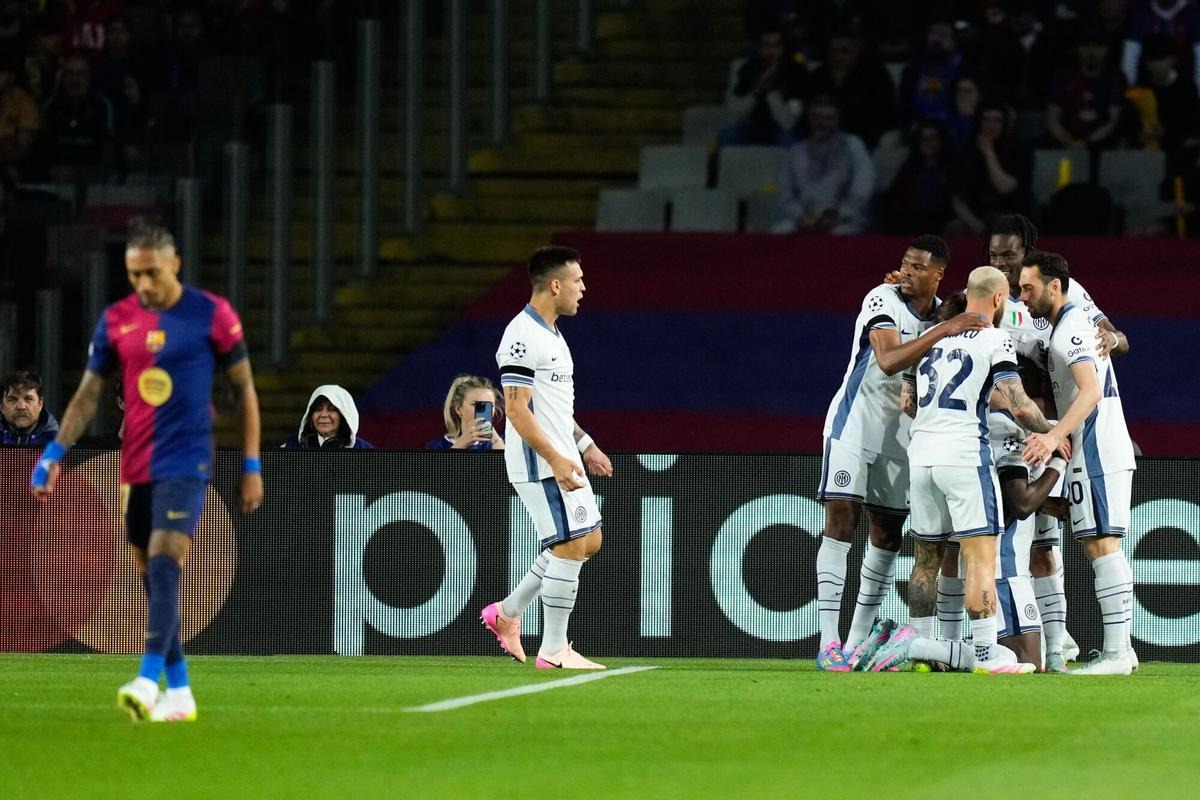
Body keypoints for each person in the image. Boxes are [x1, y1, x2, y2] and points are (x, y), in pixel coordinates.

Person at [30, 220, 264, 720]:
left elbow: (244, 390)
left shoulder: (212, 315)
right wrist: (53, 454)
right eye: (134, 275)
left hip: (188, 459)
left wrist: (251, 464)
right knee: (151, 577)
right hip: (134, 464)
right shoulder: (116, 320)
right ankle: (179, 692)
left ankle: (146, 676)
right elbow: (89, 393)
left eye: (152, 273)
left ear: (175, 263)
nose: (143, 285)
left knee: (164, 561)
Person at [814, 235, 987, 672]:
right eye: (904, 265)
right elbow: (889, 360)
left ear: (938, 274)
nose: (907, 273)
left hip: (901, 438)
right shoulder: (883, 297)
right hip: (854, 423)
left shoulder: (943, 311)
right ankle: (828, 642)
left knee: (887, 537)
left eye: (917, 267)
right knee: (841, 519)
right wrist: (943, 329)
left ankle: (857, 644)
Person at [868, 266, 1051, 674]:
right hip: (966, 456)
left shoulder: (931, 340)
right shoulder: (995, 337)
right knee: (980, 558)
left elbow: (910, 403)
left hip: (922, 456)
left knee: (925, 559)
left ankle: (918, 646)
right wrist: (1052, 432)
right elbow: (1018, 402)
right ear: (999, 299)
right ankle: (985, 655)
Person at [983, 213, 1130, 667]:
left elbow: (1110, 344)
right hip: (1042, 430)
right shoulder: (993, 295)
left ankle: (1118, 651)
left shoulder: (1067, 307)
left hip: (1069, 430)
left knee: (1097, 537)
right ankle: (1059, 638)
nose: (1003, 264)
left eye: (1010, 255)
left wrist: (1115, 336)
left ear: (1030, 257)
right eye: (995, 256)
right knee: (1046, 540)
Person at [480, 245, 614, 670]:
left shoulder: (553, 333)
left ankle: (506, 613)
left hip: (562, 455)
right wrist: (556, 459)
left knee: (588, 540)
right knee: (570, 545)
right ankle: (554, 650)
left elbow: (556, 408)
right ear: (555, 284)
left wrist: (585, 443)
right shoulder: (521, 335)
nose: (583, 288)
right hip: (541, 462)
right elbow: (516, 409)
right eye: (577, 281)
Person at [1019, 250, 1138, 675]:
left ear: (1055, 286)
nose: (1024, 297)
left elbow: (1089, 392)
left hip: (1096, 445)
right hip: (1097, 445)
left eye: (1029, 288)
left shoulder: (1070, 328)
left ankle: (1118, 653)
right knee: (1101, 543)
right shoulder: (1072, 325)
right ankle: (1122, 648)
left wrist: (1053, 435)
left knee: (1101, 544)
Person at [775, 94, 874, 234]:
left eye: (828, 118)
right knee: (778, 234)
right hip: (803, 220)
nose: (821, 123)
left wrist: (837, 215)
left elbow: (862, 190)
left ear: (838, 120)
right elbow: (786, 194)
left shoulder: (853, 146)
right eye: (816, 117)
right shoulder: (796, 152)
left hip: (846, 220)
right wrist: (801, 217)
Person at [718, 26, 807, 147]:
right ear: (759, 48)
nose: (771, 51)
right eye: (766, 45)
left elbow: (788, 122)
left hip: (782, 129)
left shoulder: (796, 71)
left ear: (783, 47)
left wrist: (771, 90)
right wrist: (757, 88)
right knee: (727, 136)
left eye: (776, 46)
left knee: (786, 137)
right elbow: (734, 116)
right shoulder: (749, 69)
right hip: (754, 127)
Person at [426, 374, 505, 450]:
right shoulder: (437, 446)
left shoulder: (504, 442)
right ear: (458, 409)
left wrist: (496, 442)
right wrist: (461, 444)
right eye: (476, 404)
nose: (484, 410)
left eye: (489, 405)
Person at [282, 385, 373, 449]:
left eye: (332, 409)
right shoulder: (291, 447)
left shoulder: (365, 450)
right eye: (318, 409)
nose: (323, 414)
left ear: (344, 415)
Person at [1, 370, 59, 445]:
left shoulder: (59, 442)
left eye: (28, 399)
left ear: (40, 404)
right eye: (12, 400)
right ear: (1, 406)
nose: (21, 407)